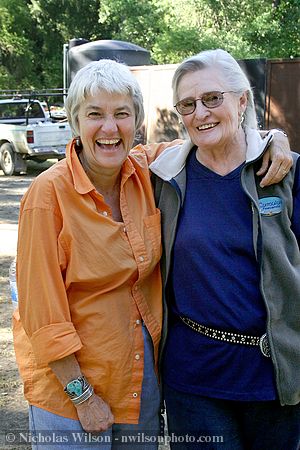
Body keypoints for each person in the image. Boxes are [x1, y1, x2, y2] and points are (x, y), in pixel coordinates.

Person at [13, 57, 291, 450]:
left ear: (136, 123)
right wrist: (82, 395)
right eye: (95, 115)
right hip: (72, 390)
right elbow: (42, 316)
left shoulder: (148, 170)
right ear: (75, 122)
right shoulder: (47, 196)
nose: (109, 129)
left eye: (121, 114)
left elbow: (213, 134)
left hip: (137, 382)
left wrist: (272, 139)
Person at [149, 49, 300, 449]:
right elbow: (102, 158)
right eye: (188, 104)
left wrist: (276, 138)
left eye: (213, 98)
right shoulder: (164, 178)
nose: (201, 113)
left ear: (242, 100)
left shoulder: (286, 174)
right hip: (194, 380)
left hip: (275, 379)